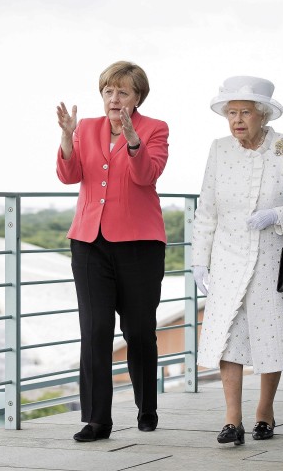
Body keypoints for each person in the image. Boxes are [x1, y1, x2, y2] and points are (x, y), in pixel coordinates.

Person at [191, 75, 283, 445]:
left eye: (244, 112)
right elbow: (207, 210)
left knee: (270, 335)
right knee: (228, 336)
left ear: (262, 114)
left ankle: (265, 411)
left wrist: (277, 215)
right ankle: (232, 420)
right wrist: (200, 260)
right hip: (229, 257)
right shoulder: (219, 149)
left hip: (270, 257)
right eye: (231, 113)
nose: (236, 120)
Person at [55, 60, 169, 442]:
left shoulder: (155, 129)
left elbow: (147, 176)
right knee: (96, 330)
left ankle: (146, 407)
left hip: (140, 244)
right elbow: (70, 176)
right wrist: (68, 139)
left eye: (123, 92)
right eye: (108, 91)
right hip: (89, 243)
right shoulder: (86, 128)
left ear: (137, 97)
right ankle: (97, 419)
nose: (114, 98)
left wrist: (133, 141)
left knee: (138, 331)